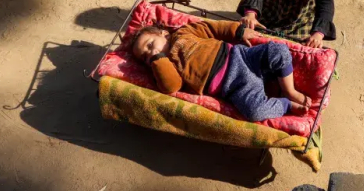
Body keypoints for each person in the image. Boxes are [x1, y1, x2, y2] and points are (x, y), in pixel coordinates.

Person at [130, 20, 311, 122]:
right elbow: (171, 86)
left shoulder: (183, 33)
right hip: (235, 87)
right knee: (255, 112)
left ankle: (290, 90)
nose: (150, 53)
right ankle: (285, 104)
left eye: (150, 45)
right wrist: (158, 60)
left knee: (278, 50)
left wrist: (239, 32)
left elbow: (211, 28)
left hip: (242, 56)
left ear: (163, 33)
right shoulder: (168, 66)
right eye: (145, 57)